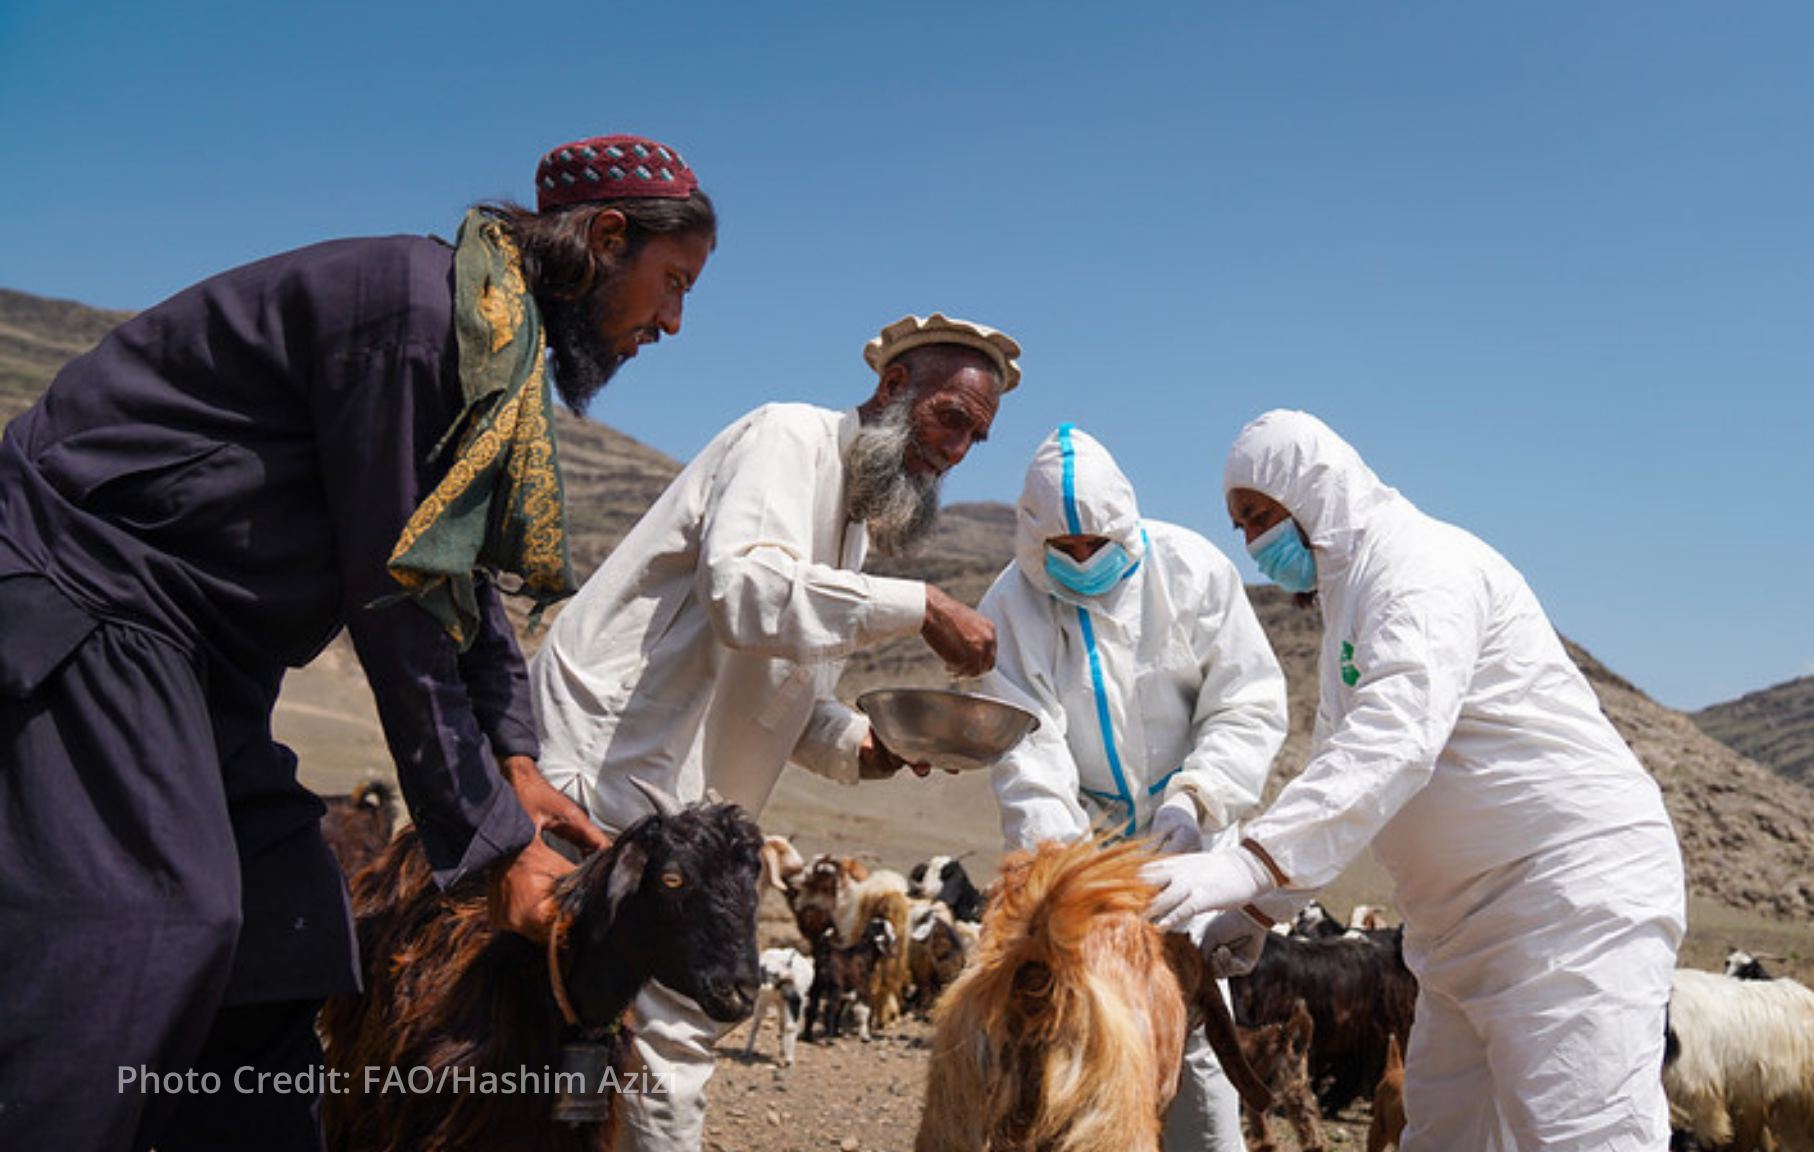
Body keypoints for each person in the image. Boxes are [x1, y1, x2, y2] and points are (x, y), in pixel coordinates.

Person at [0, 132, 712, 1152]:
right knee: (152, 925)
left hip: (202, 661)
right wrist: (491, 849)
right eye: (672, 282)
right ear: (606, 237)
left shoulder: (486, 346)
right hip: (95, 592)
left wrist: (513, 756)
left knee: (289, 928)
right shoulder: (415, 319)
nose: (674, 322)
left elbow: (454, 577)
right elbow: (397, 601)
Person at [527, 311, 1020, 1152]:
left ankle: (571, 1137)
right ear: (895, 387)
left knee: (592, 1014)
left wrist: (865, 747)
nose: (956, 452)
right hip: (615, 756)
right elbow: (748, 593)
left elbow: (775, 685)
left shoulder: (852, 526)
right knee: (662, 1018)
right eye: (950, 420)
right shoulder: (785, 438)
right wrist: (921, 605)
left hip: (685, 801)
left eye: (977, 438)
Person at [1145, 409, 1687, 1152]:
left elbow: (1395, 740)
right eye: (1240, 526)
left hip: (1565, 904)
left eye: (1260, 517)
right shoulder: (1350, 603)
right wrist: (1262, 907)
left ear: (1312, 492)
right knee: (1445, 1134)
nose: (1252, 543)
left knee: (1583, 1134)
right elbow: (1341, 772)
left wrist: (1245, 865)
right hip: (1462, 929)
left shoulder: (1418, 569)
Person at [975, 423, 1288, 1152]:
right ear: (1034, 543)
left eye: (1096, 547)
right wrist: (1075, 873)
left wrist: (1196, 799)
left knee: (1190, 1022)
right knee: (1073, 1026)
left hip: (1189, 845)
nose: (1082, 561)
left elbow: (1245, 701)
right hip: (1084, 849)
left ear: (1127, 527)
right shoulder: (1011, 608)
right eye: (1065, 551)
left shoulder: (1193, 573)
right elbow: (1028, 750)